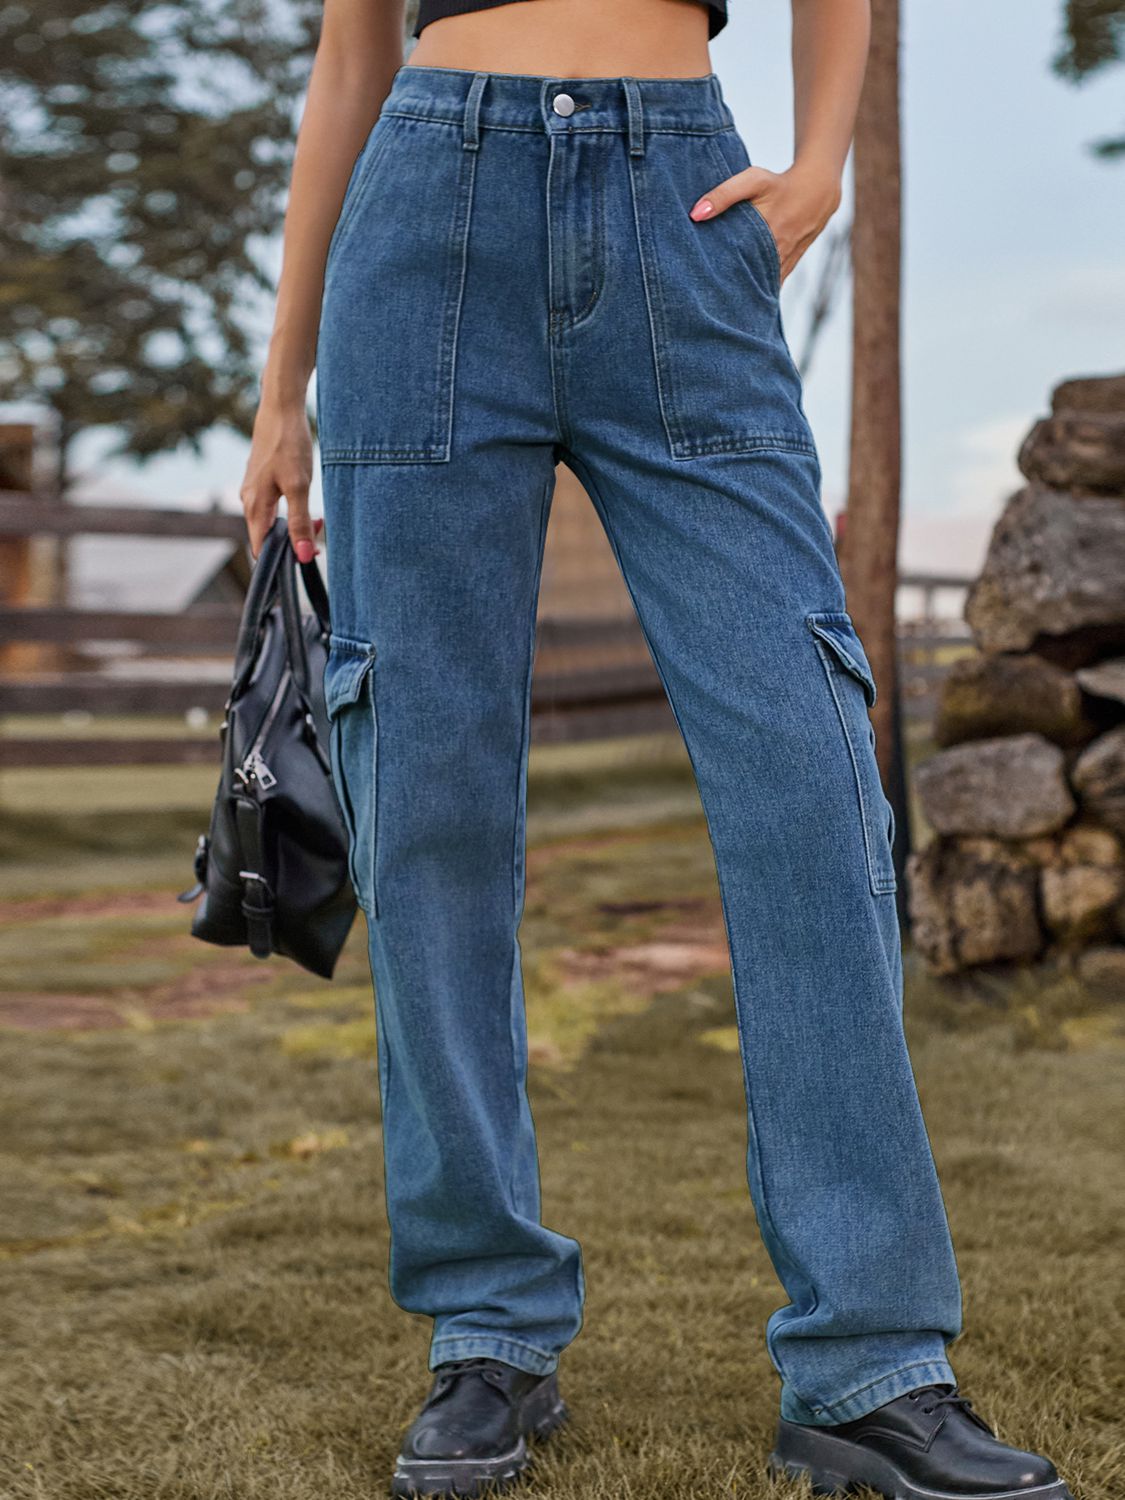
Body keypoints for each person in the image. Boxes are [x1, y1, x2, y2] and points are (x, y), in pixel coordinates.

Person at [238, 2, 1072, 1496]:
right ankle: (483, 1330)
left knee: (812, 781)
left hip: (678, 204)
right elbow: (349, 56)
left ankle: (870, 1361)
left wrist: (820, 164)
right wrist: (277, 389)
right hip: (422, 224)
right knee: (424, 806)